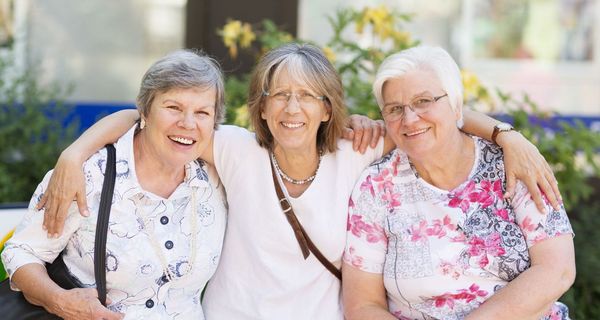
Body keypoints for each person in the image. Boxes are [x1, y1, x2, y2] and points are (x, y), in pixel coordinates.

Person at [38, 43, 560, 320]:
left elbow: (426, 117)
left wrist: (507, 135)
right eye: (278, 94)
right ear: (260, 107)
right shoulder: (235, 148)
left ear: (328, 105)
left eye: (308, 95)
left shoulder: (358, 151)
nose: (292, 108)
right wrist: (76, 151)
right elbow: (150, 116)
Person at [342, 46, 575, 320]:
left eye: (423, 101)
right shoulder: (377, 186)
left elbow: (556, 270)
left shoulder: (510, 164)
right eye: (394, 108)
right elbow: (362, 306)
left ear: (455, 104)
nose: (409, 118)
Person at [1, 50, 228, 319]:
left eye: (202, 112)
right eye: (173, 107)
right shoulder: (87, 175)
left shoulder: (219, 174)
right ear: (145, 110)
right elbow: (23, 252)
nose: (188, 123)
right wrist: (59, 300)